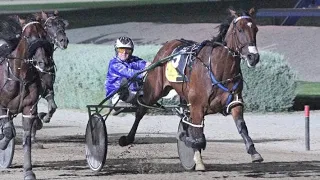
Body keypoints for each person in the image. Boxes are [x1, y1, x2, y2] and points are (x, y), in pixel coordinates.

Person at [105, 36, 148, 104]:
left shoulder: (134, 60)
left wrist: (150, 65)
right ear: (116, 50)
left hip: (134, 92)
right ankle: (123, 97)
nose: (124, 53)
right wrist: (143, 73)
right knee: (124, 80)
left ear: (131, 51)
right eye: (121, 50)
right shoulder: (114, 64)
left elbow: (142, 63)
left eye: (127, 50)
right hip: (115, 96)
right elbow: (128, 73)